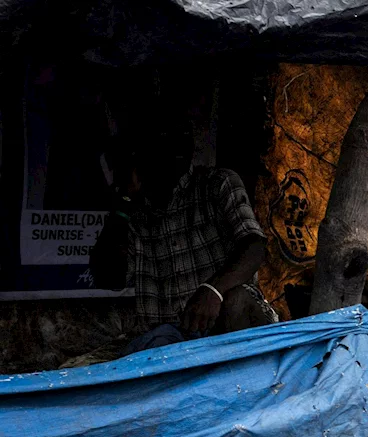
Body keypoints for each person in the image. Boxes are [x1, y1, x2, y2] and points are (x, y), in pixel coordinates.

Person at [91, 121, 277, 354]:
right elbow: (108, 277)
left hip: (224, 323)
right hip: (169, 337)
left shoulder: (217, 184)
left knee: (237, 301)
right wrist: (123, 203)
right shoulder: (137, 215)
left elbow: (254, 245)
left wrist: (213, 290)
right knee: (143, 353)